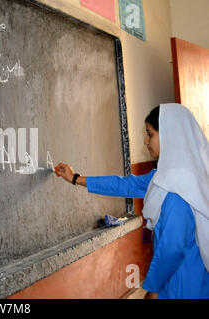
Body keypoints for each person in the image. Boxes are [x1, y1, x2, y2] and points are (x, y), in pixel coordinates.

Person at [55, 103, 209, 299]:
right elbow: (123, 185)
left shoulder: (177, 190)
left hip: (185, 285)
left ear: (170, 135)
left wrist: (153, 290)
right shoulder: (165, 178)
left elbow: (172, 250)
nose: (145, 141)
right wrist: (75, 178)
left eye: (150, 134)